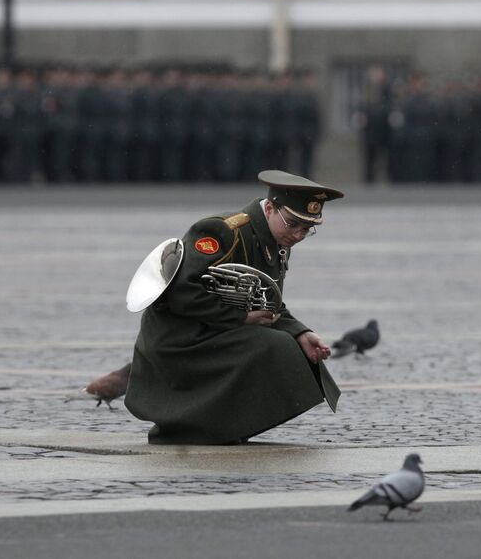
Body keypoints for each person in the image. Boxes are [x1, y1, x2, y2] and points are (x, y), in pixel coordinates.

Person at [89, 170, 344, 444]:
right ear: (270, 208)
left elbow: (268, 300)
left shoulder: (278, 238)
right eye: (293, 224)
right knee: (272, 346)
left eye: (307, 229)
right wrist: (242, 317)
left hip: (220, 328)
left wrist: (300, 332)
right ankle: (191, 426)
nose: (298, 235)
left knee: (293, 347)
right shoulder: (221, 231)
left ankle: (225, 426)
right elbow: (181, 293)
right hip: (181, 335)